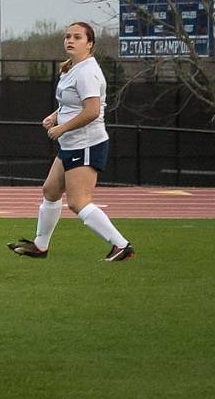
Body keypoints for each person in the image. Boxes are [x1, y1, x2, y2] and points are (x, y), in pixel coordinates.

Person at [8, 22, 135, 261]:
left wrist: (61, 128)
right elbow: (71, 103)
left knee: (78, 202)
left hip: (86, 144)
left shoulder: (87, 71)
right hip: (71, 144)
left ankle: (121, 245)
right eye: (68, 36)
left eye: (77, 37)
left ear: (90, 44)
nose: (70, 40)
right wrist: (55, 116)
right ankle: (40, 246)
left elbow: (92, 111)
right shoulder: (73, 69)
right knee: (50, 190)